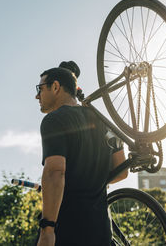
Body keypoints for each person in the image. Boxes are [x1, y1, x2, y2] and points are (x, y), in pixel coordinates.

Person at [35, 61, 128, 246]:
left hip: (68, 230)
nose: (37, 96)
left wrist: (47, 230)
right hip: (101, 231)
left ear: (55, 87)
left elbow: (55, 172)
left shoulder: (54, 120)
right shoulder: (103, 121)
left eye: (40, 88)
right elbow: (121, 171)